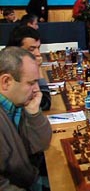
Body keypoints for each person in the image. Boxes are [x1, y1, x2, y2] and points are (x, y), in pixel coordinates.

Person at [0, 46, 52, 190]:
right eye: (31, 83)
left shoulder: (18, 104)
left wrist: (34, 113)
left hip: (30, 177)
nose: (37, 89)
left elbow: (42, 144)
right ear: (6, 82)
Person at [7, 26, 51, 111]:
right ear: (16, 49)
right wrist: (37, 68)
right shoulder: (11, 71)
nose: (38, 53)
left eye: (38, 48)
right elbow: (43, 104)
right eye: (32, 49)